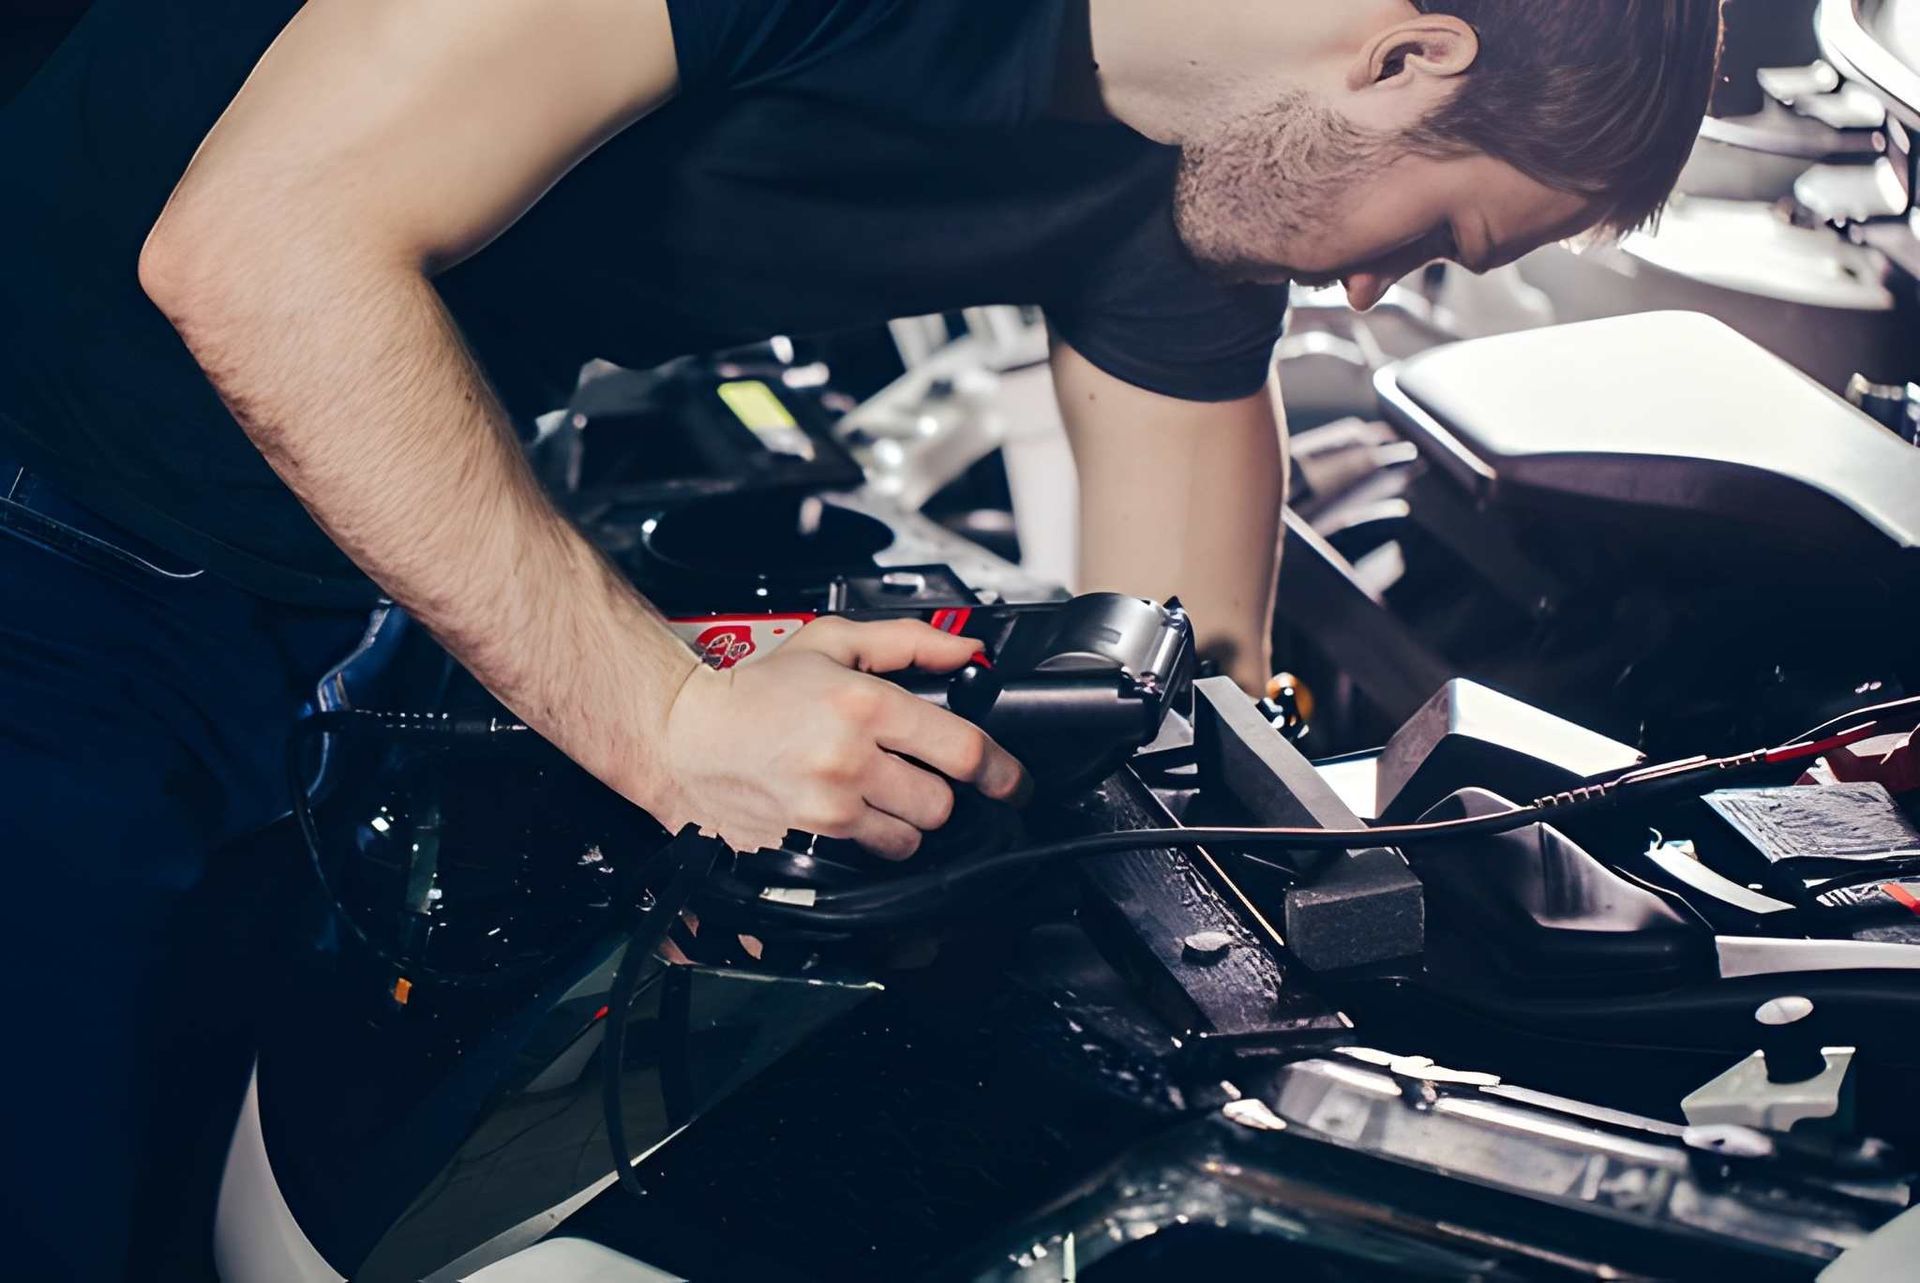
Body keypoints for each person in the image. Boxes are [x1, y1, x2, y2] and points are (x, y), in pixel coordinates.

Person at [0, 0, 1722, 1276]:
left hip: (316, 575)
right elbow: (253, 250)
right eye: (1436, 238)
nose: (1374, 296)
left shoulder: (1197, 189)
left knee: (201, 1153)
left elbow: (1181, 700)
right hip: (41, 512)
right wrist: (670, 719)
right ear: (1408, 57)